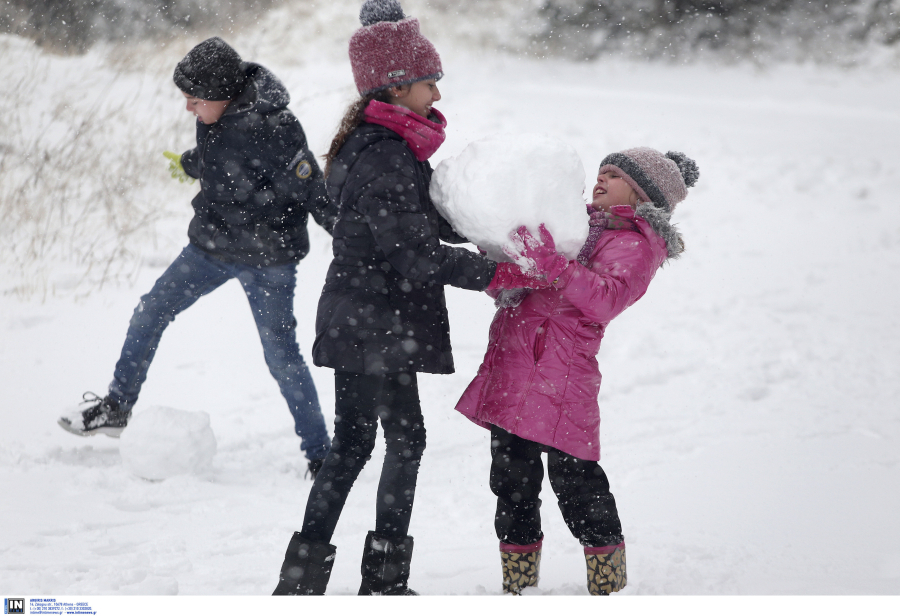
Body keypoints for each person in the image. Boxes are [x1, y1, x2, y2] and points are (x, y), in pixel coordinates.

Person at [271, 0, 546, 596]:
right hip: (375, 320)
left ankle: (311, 580)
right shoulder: (386, 154)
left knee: (361, 445)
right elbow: (413, 253)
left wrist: (494, 233)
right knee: (379, 444)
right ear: (395, 88)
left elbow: (422, 226)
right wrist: (497, 277)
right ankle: (373, 582)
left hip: (367, 318)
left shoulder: (383, 145)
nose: (436, 94)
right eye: (428, 82)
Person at [57, 37, 337, 478]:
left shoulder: (277, 127)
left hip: (269, 261)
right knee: (150, 311)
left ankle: (321, 455)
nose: (189, 108)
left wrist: (352, 240)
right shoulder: (217, 112)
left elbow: (314, 190)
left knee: (282, 357)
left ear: (223, 94)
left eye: (194, 100)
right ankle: (116, 407)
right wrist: (191, 163)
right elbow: (221, 156)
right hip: (211, 247)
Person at [455, 147, 699, 595]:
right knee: (510, 481)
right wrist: (502, 260)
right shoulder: (579, 226)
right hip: (515, 362)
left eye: (614, 175)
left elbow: (605, 297)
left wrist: (550, 263)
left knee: (577, 482)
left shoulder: (635, 241)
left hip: (561, 376)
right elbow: (535, 285)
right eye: (600, 172)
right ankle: (518, 585)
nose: (600, 180)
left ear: (641, 192)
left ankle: (608, 584)